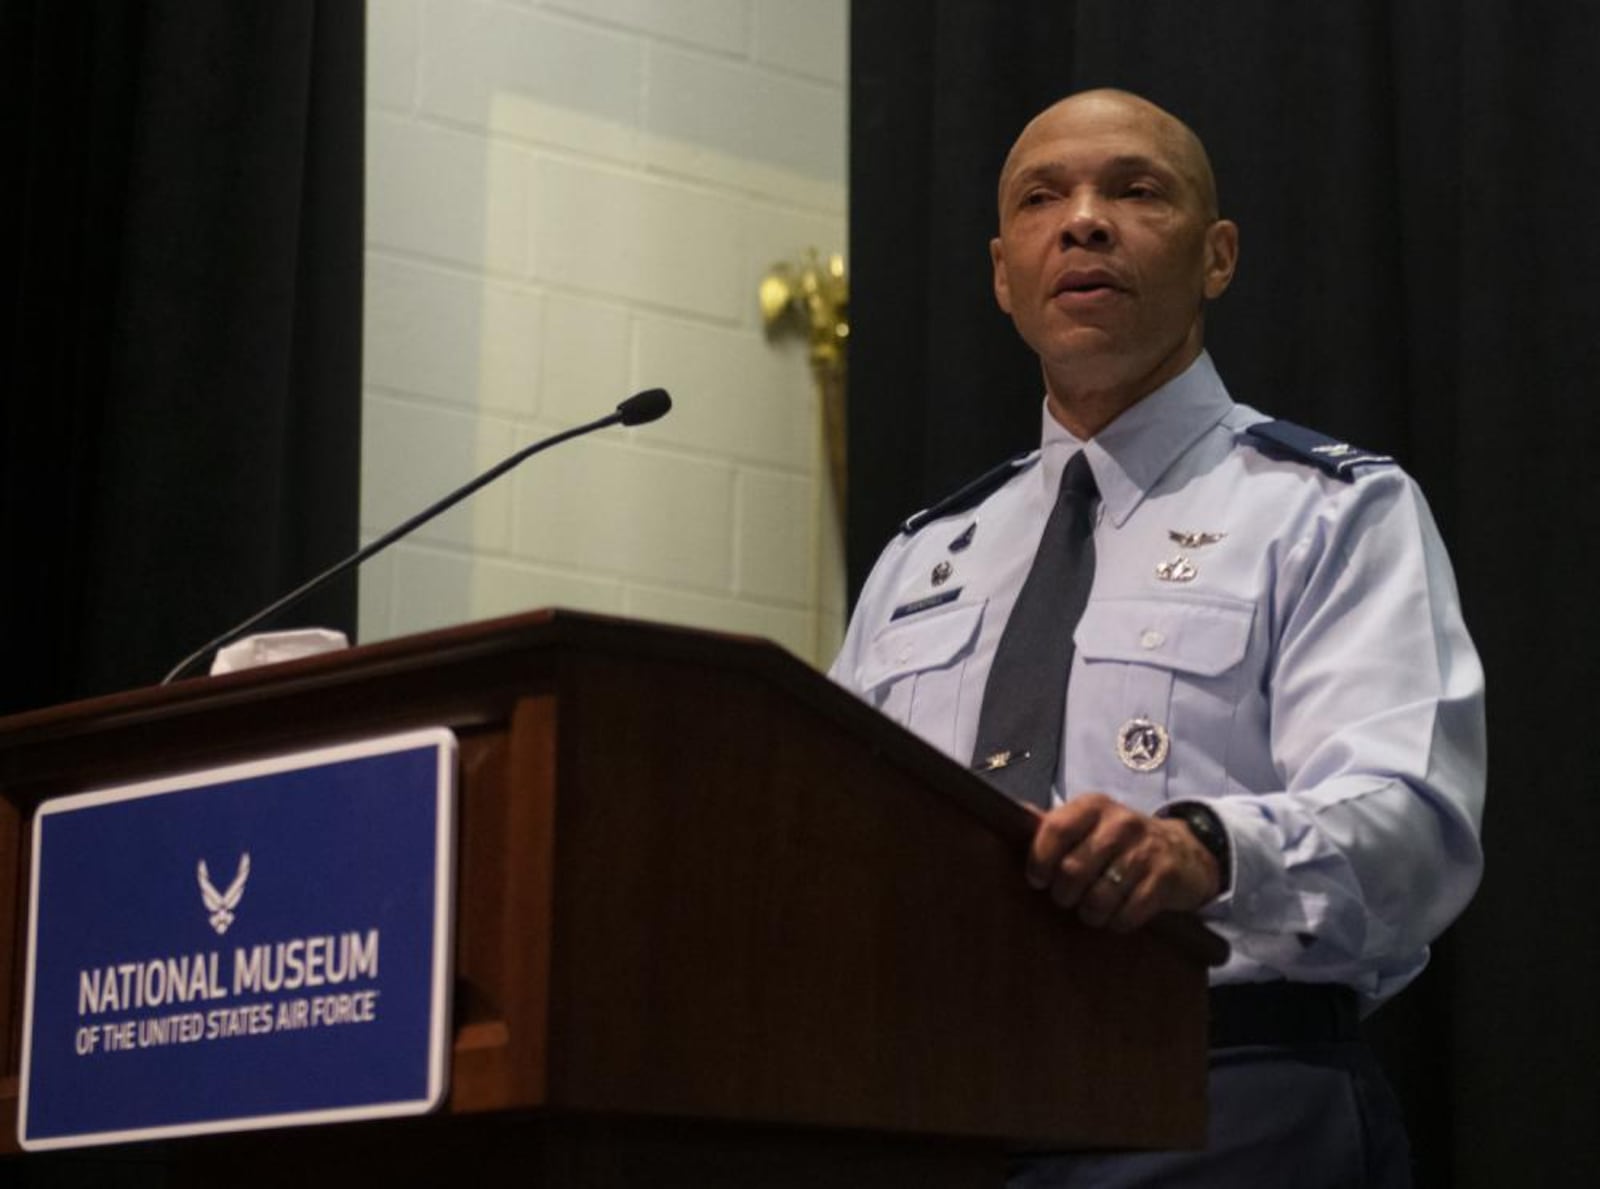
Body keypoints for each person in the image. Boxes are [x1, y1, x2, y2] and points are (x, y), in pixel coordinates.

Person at [829, 89, 1486, 1187]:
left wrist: (1200, 851)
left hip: (1221, 1089)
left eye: (1134, 191)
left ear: (1216, 255)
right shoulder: (918, 560)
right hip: (929, 1107)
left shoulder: (1327, 510)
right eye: (1043, 199)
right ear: (1002, 274)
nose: (1082, 222)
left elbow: (1414, 827)